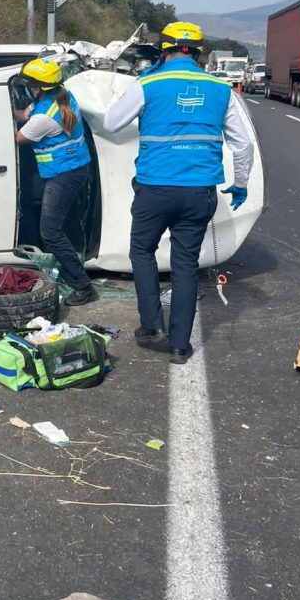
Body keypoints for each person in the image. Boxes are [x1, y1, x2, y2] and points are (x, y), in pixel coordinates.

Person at [103, 22, 254, 363]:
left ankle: (152, 326)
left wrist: (143, 87)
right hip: (199, 192)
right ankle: (179, 346)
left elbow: (111, 123)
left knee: (142, 251)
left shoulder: (148, 84)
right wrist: (241, 183)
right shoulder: (221, 89)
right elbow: (243, 145)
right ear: (198, 53)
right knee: (185, 264)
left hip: (155, 189)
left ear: (163, 51)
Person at [15, 57, 96, 306]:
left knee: (50, 231)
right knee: (63, 224)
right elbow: (25, 114)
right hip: (74, 169)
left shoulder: (44, 118)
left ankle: (83, 286)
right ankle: (69, 268)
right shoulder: (62, 95)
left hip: (64, 175)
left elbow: (19, 138)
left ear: (36, 88)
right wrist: (13, 113)